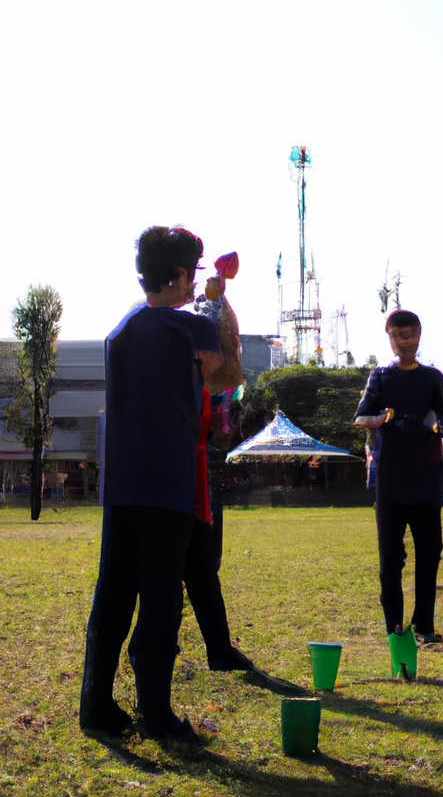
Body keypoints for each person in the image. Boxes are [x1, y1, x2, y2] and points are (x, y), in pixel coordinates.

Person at [81, 226, 230, 738]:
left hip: (122, 480)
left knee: (115, 590)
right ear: (184, 273)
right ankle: (156, 712)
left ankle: (95, 703)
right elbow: (224, 374)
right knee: (161, 594)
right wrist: (219, 301)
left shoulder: (120, 329)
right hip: (167, 479)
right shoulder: (190, 329)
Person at [355, 310, 443, 643]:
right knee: (390, 560)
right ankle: (394, 629)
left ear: (419, 335)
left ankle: (425, 626)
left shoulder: (432, 377)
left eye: (412, 334)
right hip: (391, 481)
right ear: (389, 337)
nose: (407, 342)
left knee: (429, 553)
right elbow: (362, 418)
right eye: (400, 336)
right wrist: (379, 419)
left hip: (428, 479)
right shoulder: (381, 377)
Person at [182, 271, 257, 672]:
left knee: (204, 565)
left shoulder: (214, 391)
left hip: (203, 476)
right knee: (168, 569)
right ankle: (156, 648)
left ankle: (219, 648)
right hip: (176, 477)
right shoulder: (179, 369)